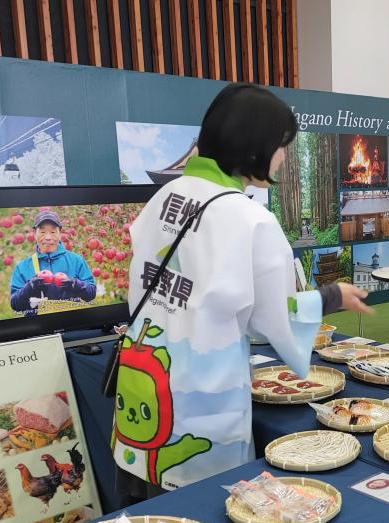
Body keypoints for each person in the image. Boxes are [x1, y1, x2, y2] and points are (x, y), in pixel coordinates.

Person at [113, 83, 372, 500]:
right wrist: (330, 297)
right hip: (204, 408)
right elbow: (276, 323)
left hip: (142, 387)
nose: (284, 155)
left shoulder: (164, 197)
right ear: (256, 148)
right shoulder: (250, 219)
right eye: (281, 144)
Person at [9, 210, 96, 315]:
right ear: (34, 233)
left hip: (72, 325)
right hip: (39, 329)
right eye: (42, 232)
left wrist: (74, 284)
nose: (48, 237)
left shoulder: (76, 260)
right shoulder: (23, 267)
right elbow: (15, 305)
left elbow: (91, 294)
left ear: (60, 233)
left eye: (53, 232)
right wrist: (30, 287)